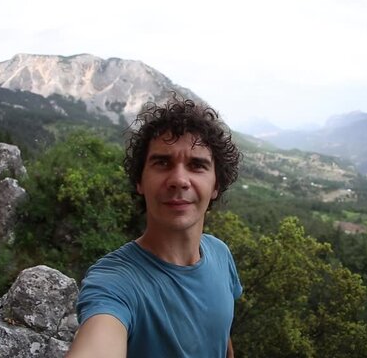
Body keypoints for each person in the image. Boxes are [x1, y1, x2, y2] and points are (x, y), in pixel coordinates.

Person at [67, 94, 243, 358]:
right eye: (162, 163)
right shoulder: (115, 283)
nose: (179, 180)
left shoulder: (220, 254)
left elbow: (220, 331)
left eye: (197, 165)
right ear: (140, 181)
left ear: (216, 185)